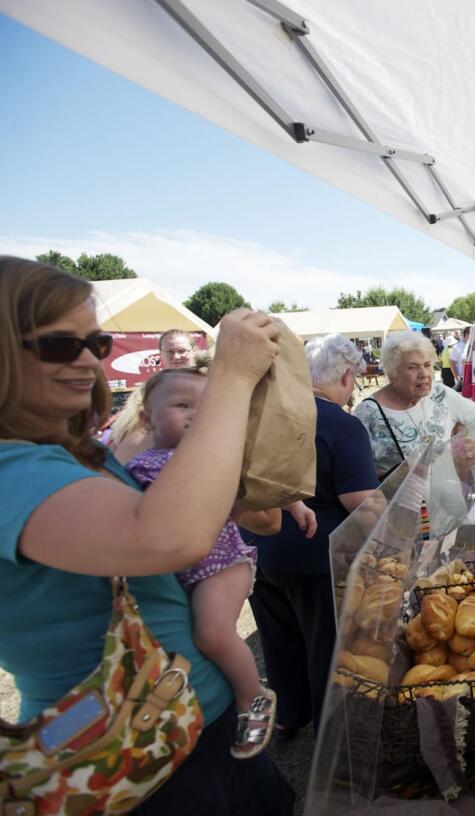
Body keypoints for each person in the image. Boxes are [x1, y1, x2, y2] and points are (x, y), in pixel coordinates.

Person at [0, 256, 294, 813]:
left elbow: (232, 516)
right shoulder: (11, 472)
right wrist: (230, 376)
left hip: (192, 719)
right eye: (61, 345)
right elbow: (166, 537)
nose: (87, 360)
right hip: (123, 748)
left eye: (96, 342)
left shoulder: (75, 453)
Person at [125, 367, 293, 759]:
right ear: (146, 418)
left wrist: (296, 504)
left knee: (212, 633)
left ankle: (253, 699)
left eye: (204, 408)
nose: (194, 415)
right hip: (187, 568)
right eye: (182, 405)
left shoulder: (215, 458)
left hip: (222, 562)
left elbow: (259, 486)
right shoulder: (138, 466)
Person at [247, 333, 379, 739]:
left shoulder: (272, 416)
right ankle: (331, 736)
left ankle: (289, 713)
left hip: (258, 545)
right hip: (315, 552)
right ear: (345, 376)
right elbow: (360, 501)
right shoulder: (344, 424)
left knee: (278, 640)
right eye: (354, 378)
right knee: (325, 643)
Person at [353, 330, 475, 479]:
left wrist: (471, 441)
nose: (424, 373)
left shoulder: (439, 393)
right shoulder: (367, 413)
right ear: (392, 373)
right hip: (400, 501)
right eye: (412, 367)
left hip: (446, 498)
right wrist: (396, 476)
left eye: (427, 365)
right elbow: (358, 476)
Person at [108, 328, 201, 463]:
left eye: (181, 351)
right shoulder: (147, 389)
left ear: (194, 351)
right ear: (161, 354)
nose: (176, 357)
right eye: (170, 352)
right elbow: (123, 430)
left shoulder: (209, 384)